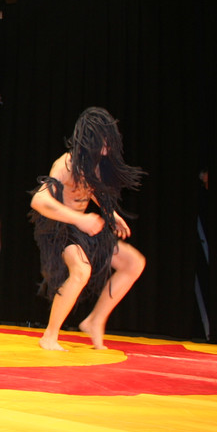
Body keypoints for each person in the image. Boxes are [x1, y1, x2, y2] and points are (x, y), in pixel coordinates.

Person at [30, 106, 146, 351]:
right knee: (81, 270)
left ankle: (95, 320)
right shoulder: (66, 164)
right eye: (104, 139)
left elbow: (90, 190)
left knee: (134, 263)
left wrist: (111, 214)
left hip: (81, 229)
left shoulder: (93, 165)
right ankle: (49, 336)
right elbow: (39, 201)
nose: (108, 145)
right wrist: (79, 219)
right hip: (59, 230)